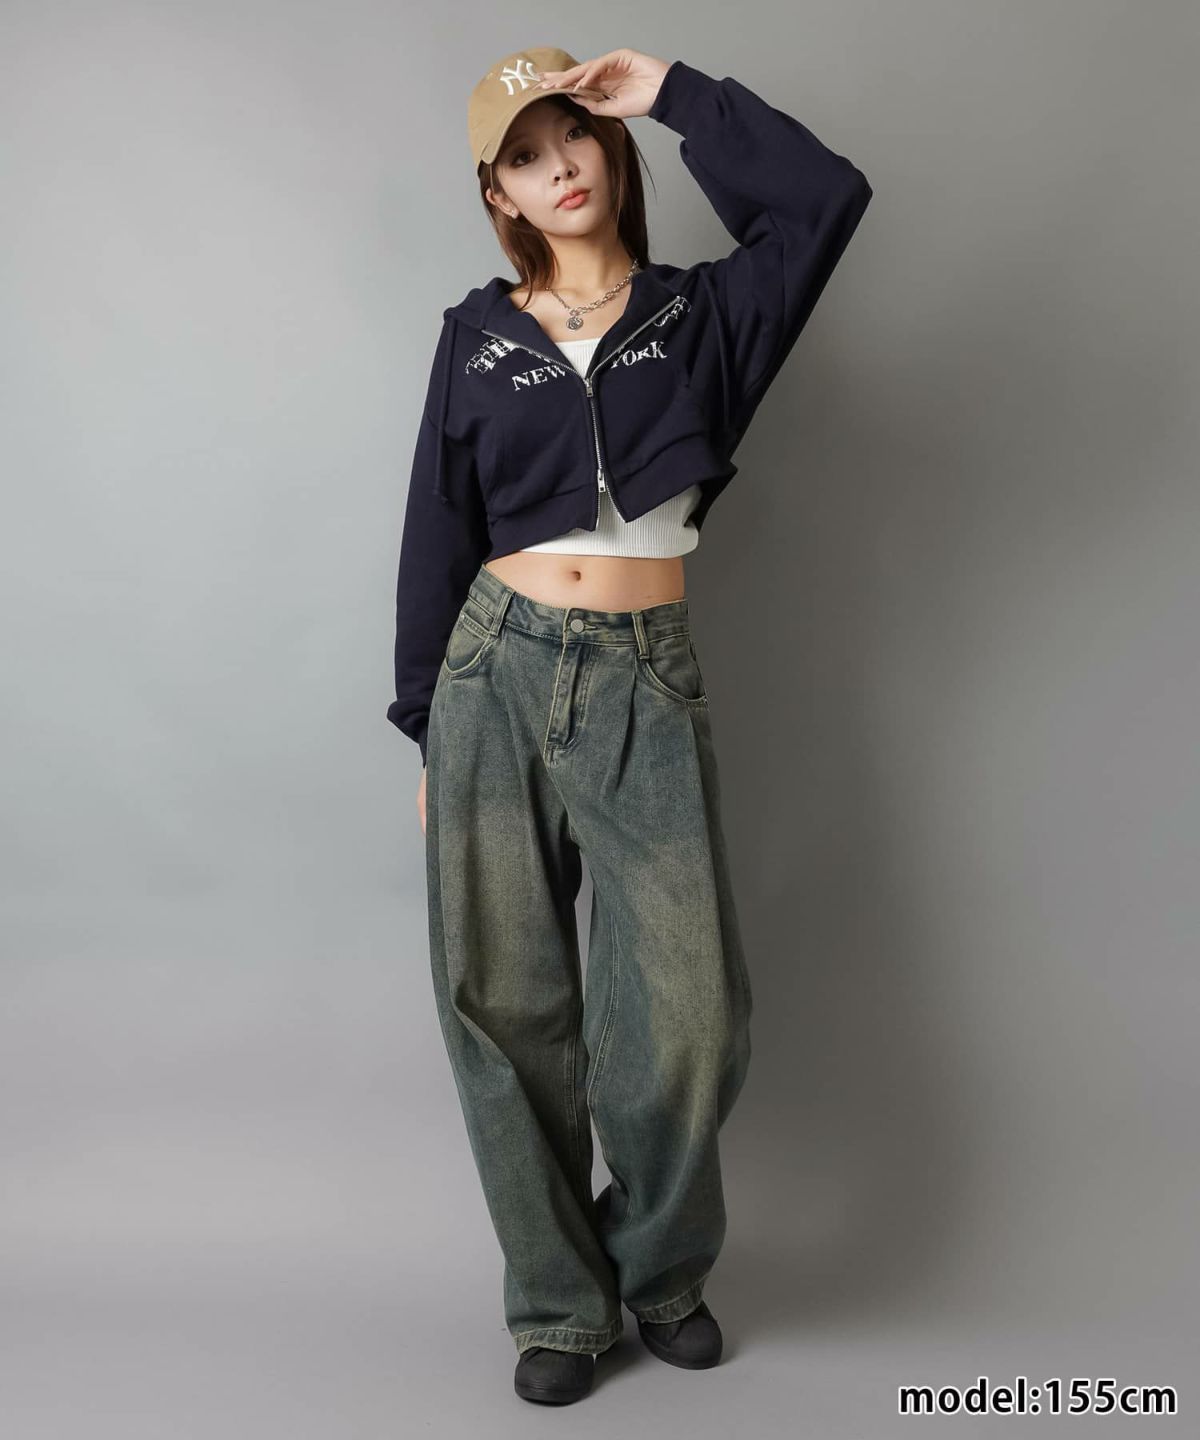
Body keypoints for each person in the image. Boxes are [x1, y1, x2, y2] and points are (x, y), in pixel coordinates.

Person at [386, 45, 871, 1405]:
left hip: (645, 672)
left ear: (609, 150)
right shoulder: (477, 337)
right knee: (503, 1001)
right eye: (528, 156)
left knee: (692, 1013)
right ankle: (559, 1304)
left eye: (576, 137)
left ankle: (653, 1267)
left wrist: (670, 92)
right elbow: (437, 528)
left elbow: (824, 200)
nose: (563, 167)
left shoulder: (703, 317)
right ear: (500, 194)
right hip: (492, 671)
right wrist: (427, 724)